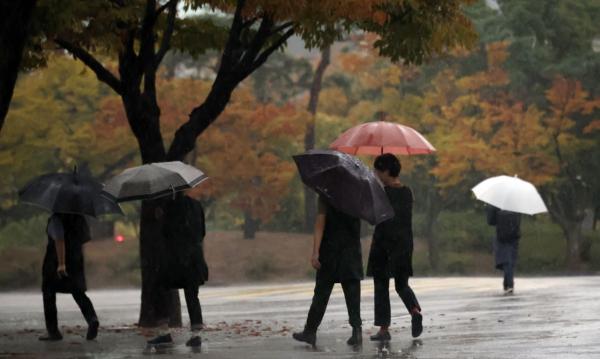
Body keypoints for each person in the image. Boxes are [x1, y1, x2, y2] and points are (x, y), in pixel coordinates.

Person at [293, 196, 363, 347]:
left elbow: (320, 224)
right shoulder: (357, 193)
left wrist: (315, 252)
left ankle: (310, 331)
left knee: (321, 293)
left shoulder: (327, 194)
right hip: (351, 250)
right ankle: (357, 331)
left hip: (330, 249)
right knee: (352, 293)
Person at [367, 154, 422, 341]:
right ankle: (414, 310)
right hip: (404, 244)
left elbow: (375, 217)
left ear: (386, 171)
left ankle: (384, 329)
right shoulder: (408, 192)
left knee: (381, 285)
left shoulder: (382, 194)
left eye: (377, 170)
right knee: (401, 284)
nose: (376, 174)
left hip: (384, 245)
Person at [147, 191, 209, 348]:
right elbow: (202, 232)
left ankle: (164, 333)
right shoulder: (196, 205)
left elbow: (167, 234)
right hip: (194, 258)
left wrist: (160, 218)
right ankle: (196, 335)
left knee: (159, 289)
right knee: (192, 295)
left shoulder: (169, 207)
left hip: (176, 259)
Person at [39, 213, 99, 341]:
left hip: (56, 260)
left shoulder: (56, 218)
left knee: (48, 293)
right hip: (75, 258)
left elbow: (59, 239)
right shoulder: (78, 216)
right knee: (78, 292)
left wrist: (61, 263)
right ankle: (92, 319)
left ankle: (53, 331)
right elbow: (85, 237)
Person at [486, 205, 521, 294]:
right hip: (514, 236)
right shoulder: (517, 204)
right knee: (510, 261)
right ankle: (508, 284)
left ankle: (508, 285)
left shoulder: (495, 204)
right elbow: (518, 221)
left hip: (500, 236)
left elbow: (490, 222)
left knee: (505, 261)